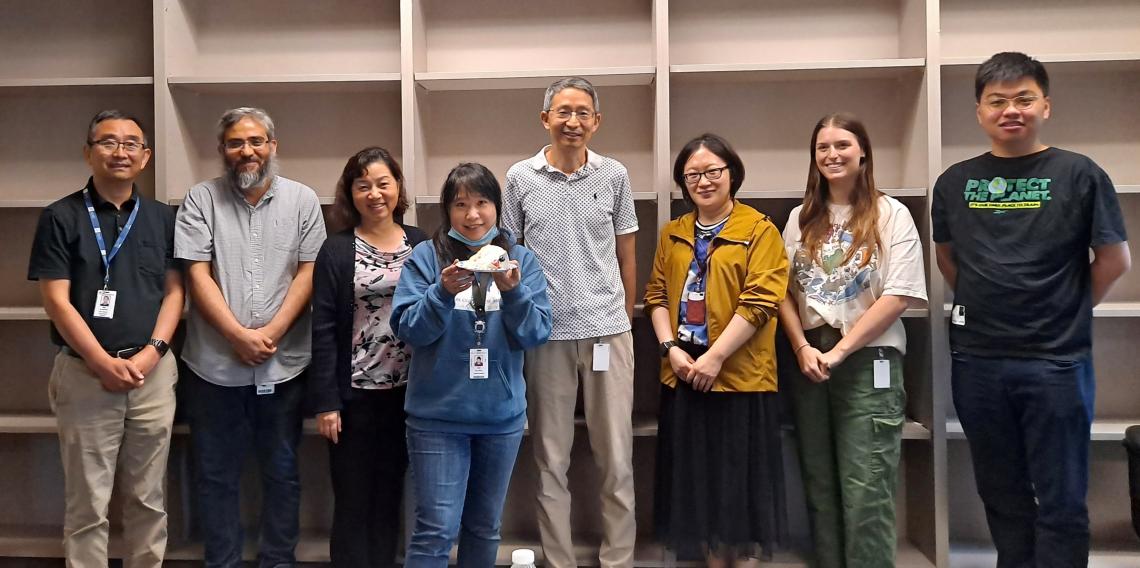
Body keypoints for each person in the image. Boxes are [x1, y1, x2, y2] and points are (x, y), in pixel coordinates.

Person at [932, 52, 1130, 567]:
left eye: (1023, 98)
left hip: (1056, 362)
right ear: (979, 111)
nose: (1010, 110)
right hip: (977, 361)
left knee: (1061, 500)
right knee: (1002, 494)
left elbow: (1113, 259)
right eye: (997, 101)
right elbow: (948, 259)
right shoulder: (955, 182)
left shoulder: (1080, 174)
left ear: (1046, 105)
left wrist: (1067, 307)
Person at [29, 110, 183, 567]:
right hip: (84, 374)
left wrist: (153, 354)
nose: (121, 152)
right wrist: (99, 360)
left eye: (131, 143)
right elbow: (57, 300)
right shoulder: (60, 217)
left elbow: (176, 293)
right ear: (88, 152)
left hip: (151, 376)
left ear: (146, 156)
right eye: (109, 142)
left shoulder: (164, 218)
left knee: (148, 497)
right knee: (87, 503)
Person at [175, 107, 327, 567]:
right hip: (213, 368)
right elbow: (195, 273)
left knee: (281, 471)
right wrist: (238, 335)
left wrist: (271, 333)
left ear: (273, 146)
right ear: (222, 150)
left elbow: (309, 270)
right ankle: (222, 561)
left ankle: (277, 559)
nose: (248, 152)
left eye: (257, 141)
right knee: (215, 475)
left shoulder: (302, 200)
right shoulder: (200, 200)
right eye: (236, 143)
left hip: (284, 366)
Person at [777, 113, 928, 567]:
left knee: (867, 485)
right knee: (820, 482)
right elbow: (781, 291)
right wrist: (803, 348)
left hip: (868, 357)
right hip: (809, 358)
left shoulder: (891, 213)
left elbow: (899, 295)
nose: (832, 154)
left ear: (862, 152)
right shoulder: (800, 217)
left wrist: (840, 351)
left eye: (842, 145)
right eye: (823, 147)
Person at [502, 76, 638, 568]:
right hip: (545, 336)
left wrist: (619, 316)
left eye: (583, 113)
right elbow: (508, 259)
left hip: (607, 332)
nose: (572, 121)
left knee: (616, 457)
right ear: (545, 119)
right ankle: (560, 561)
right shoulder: (519, 178)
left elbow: (627, 255)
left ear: (596, 122)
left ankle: (617, 559)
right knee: (550, 460)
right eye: (563, 111)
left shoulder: (615, 176)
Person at [391, 163, 551, 568]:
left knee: (484, 528)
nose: (473, 214)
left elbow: (536, 334)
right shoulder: (426, 258)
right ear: (447, 211)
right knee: (436, 529)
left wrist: (514, 295)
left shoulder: (521, 261)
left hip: (501, 418)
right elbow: (411, 330)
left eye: (482, 202)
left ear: (497, 207)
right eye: (460, 204)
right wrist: (441, 293)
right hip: (437, 418)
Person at [644, 133, 789, 566]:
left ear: (732, 174)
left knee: (737, 480)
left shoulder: (759, 229)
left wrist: (717, 357)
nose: (703, 181)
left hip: (739, 375)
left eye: (713, 172)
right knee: (695, 481)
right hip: (684, 370)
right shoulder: (674, 233)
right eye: (693, 175)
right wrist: (670, 348)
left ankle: (738, 561)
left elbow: (762, 300)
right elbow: (655, 296)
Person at [309, 147, 428, 567]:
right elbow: (323, 328)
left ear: (398, 187)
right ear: (350, 193)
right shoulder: (337, 250)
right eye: (363, 186)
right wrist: (326, 401)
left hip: (410, 394)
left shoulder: (421, 243)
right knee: (353, 497)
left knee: (391, 493)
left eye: (383, 183)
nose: (374, 194)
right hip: (355, 394)